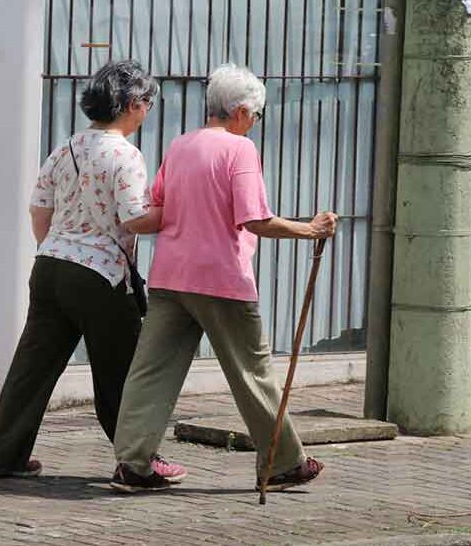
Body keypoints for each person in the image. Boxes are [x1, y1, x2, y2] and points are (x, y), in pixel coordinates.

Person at [110, 63, 337, 493]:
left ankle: (132, 463)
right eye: (256, 115)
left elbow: (156, 207)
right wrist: (310, 229)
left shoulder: (180, 146)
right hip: (221, 281)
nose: (255, 123)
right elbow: (254, 220)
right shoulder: (239, 151)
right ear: (239, 111)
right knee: (252, 374)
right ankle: (284, 462)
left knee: (150, 371)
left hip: (171, 277)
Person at [0, 60, 185, 482]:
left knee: (33, 365)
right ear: (130, 105)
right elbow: (134, 219)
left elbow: (39, 208)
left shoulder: (66, 147)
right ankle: (138, 461)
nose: (148, 111)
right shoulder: (125, 155)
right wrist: (177, 211)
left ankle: (2, 454)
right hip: (99, 276)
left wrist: (55, 246)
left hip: (50, 265)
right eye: (146, 102)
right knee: (122, 371)